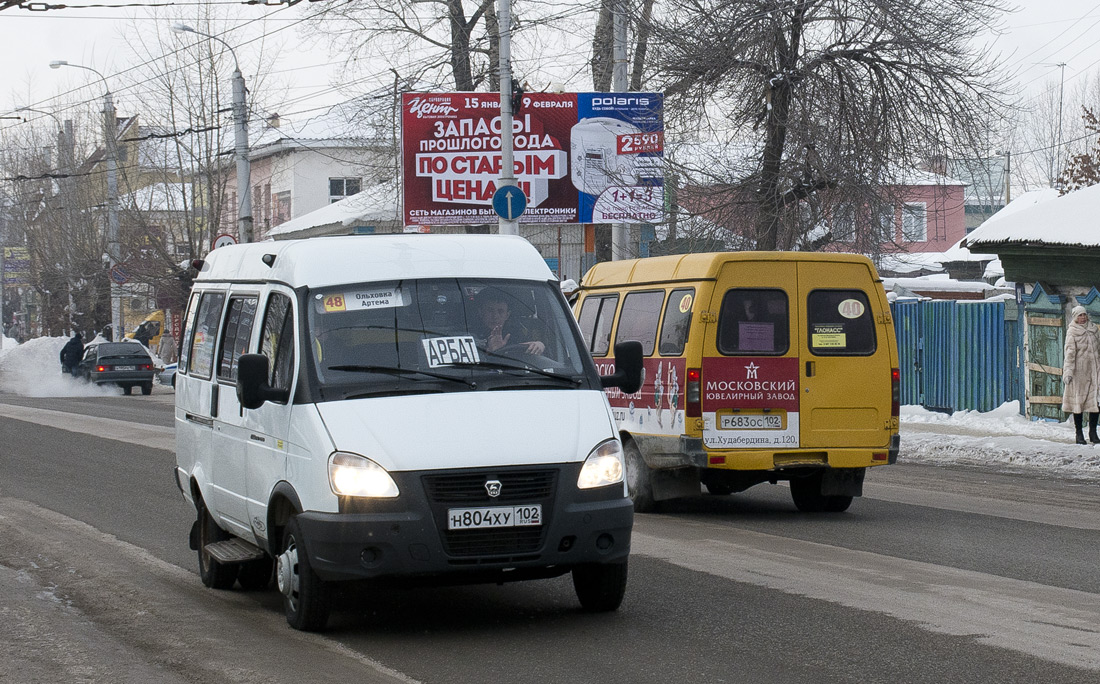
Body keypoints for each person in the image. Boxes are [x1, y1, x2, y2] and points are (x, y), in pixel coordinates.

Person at [1061, 305, 1100, 445]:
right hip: (1079, 374)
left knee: (1095, 402)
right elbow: (1069, 354)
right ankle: (1079, 434)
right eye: (1080, 315)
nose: (1083, 318)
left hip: (1095, 372)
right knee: (1078, 404)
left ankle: (1093, 432)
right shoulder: (1072, 332)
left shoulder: (1094, 329)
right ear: (1075, 317)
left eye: (1084, 315)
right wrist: (1068, 372)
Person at [471, 288, 545, 356]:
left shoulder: (515, 333)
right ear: (480, 312)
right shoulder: (469, 334)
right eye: (490, 310)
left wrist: (539, 345)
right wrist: (490, 351)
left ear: (507, 315)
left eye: (500, 311)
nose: (495, 316)